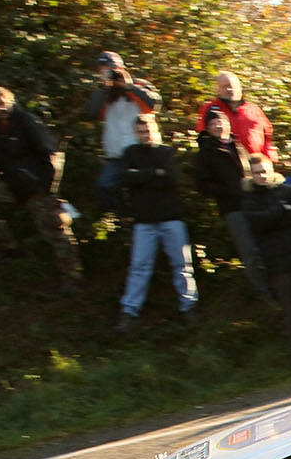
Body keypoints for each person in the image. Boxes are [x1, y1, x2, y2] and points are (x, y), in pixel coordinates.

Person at [0, 86, 83, 291]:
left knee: (55, 229)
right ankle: (9, 248)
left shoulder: (26, 122)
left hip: (37, 187)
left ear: (11, 101)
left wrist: (48, 188)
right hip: (12, 186)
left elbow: (53, 155)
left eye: (3, 102)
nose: (0, 107)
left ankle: (72, 277)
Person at [117, 113, 197, 331]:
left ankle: (189, 306)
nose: (146, 135)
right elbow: (125, 178)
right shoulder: (130, 153)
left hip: (171, 218)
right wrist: (154, 173)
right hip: (144, 221)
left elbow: (172, 179)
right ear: (136, 133)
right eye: (141, 132)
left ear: (156, 129)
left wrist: (141, 177)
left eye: (149, 131)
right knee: (139, 267)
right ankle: (129, 312)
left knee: (182, 265)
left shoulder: (167, 152)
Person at [243, 153, 291, 363]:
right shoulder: (250, 199)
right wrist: (281, 210)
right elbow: (257, 223)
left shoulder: (287, 190)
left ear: (272, 170)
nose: (262, 176)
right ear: (252, 175)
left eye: (265, 171)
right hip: (277, 262)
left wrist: (274, 218)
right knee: (290, 309)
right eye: (257, 173)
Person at [196, 107, 271, 299]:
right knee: (249, 252)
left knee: (266, 245)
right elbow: (203, 185)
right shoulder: (206, 152)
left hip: (254, 201)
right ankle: (264, 293)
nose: (219, 126)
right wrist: (230, 191)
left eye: (221, 122)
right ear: (208, 128)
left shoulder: (239, 145)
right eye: (213, 124)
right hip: (232, 207)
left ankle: (277, 286)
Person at [85, 51, 160, 214]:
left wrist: (129, 86)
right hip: (116, 154)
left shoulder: (139, 85)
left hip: (141, 151)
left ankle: (142, 218)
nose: (107, 72)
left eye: (109, 68)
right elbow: (92, 113)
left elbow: (154, 104)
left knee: (142, 190)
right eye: (102, 70)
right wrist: (105, 87)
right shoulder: (103, 93)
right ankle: (119, 221)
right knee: (104, 185)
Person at [194, 71, 275, 160]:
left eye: (233, 86)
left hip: (255, 163)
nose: (230, 89)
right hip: (225, 162)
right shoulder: (209, 109)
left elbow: (267, 134)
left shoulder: (253, 109)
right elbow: (203, 136)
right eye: (225, 86)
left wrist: (269, 158)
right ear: (218, 90)